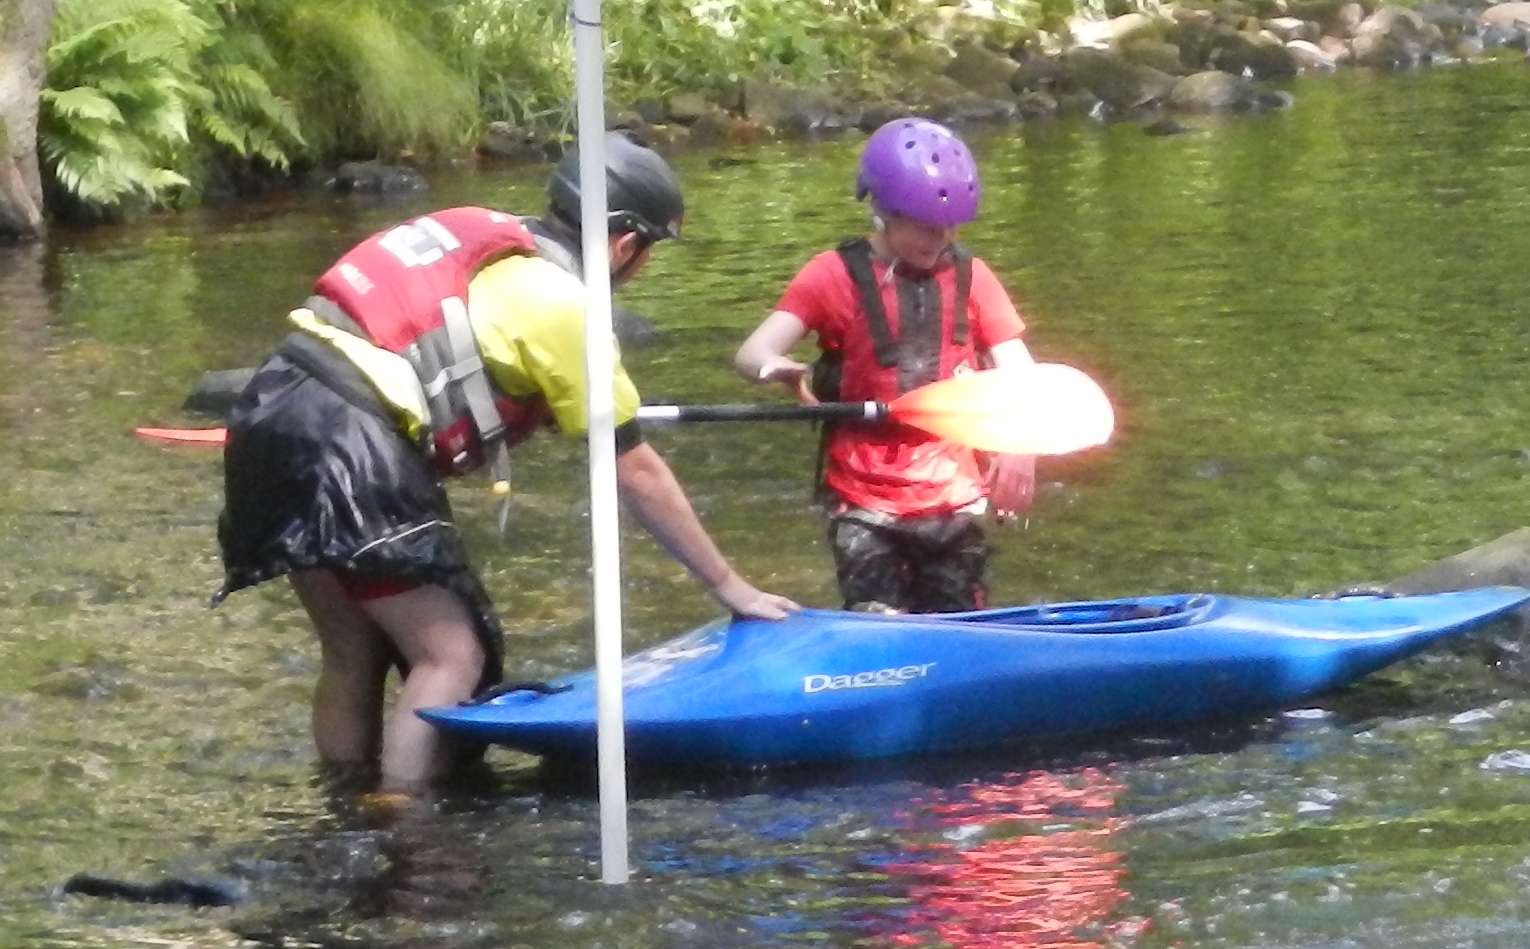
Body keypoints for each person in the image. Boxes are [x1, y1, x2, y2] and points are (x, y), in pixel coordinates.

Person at [219, 138, 795, 785]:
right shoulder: (566, 309)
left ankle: (345, 809)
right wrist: (729, 586)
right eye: (649, 253)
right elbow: (634, 470)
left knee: (353, 650)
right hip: (349, 439)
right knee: (452, 656)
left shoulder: (483, 233)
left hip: (271, 408)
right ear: (623, 245)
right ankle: (403, 828)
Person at [729, 119, 1039, 613]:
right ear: (882, 209)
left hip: (953, 499)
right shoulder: (831, 276)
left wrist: (1020, 449)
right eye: (923, 225)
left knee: (960, 626)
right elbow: (750, 354)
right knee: (880, 625)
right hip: (862, 502)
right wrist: (774, 368)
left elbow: (1021, 375)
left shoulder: (972, 277)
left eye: (950, 226)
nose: (939, 239)